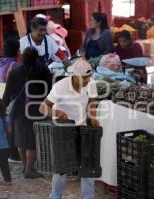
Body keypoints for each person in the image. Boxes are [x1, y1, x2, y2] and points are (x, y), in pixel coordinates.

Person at [39, 59, 99, 199]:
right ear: (74, 76)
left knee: (88, 166)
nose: (87, 80)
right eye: (84, 78)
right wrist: (57, 113)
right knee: (62, 168)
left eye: (88, 77)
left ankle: (88, 197)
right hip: (63, 129)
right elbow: (42, 107)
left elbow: (92, 102)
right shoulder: (61, 86)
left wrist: (92, 117)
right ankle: (55, 196)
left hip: (82, 127)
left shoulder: (91, 83)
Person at [2, 47, 52, 179]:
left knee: (20, 139)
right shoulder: (43, 70)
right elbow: (50, 91)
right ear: (36, 57)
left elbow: (7, 94)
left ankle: (25, 167)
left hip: (18, 110)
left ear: (23, 58)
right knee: (32, 141)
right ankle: (29, 169)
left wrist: (2, 108)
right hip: (35, 110)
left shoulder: (15, 72)